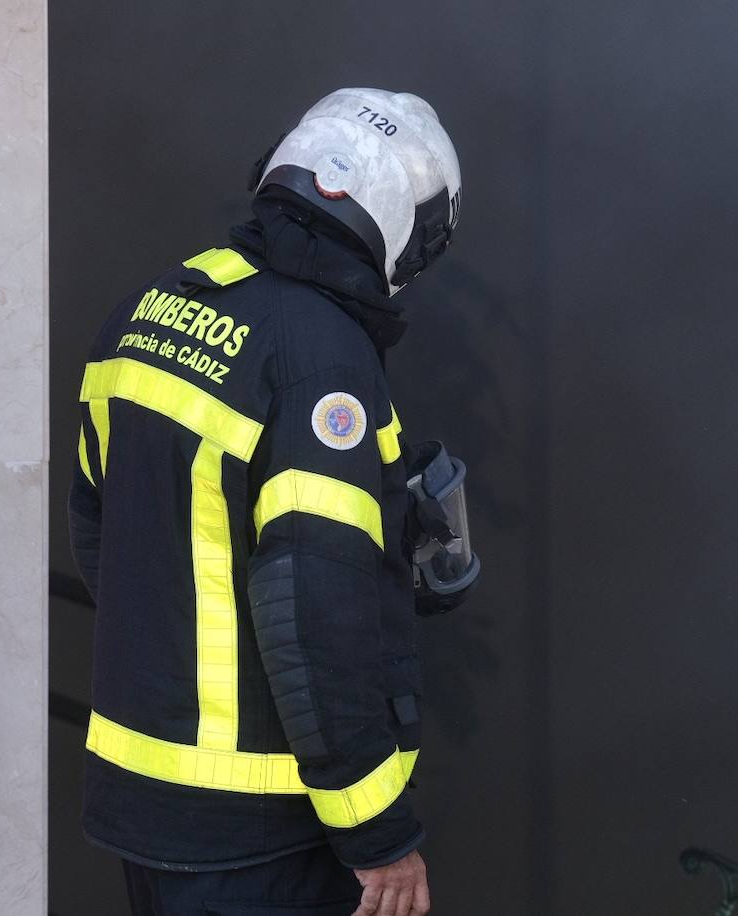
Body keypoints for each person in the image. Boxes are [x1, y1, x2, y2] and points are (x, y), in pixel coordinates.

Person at [68, 87, 464, 916]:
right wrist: (379, 835)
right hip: (255, 833)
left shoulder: (155, 306)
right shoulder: (322, 361)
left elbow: (102, 530)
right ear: (402, 228)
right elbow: (316, 615)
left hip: (147, 802)